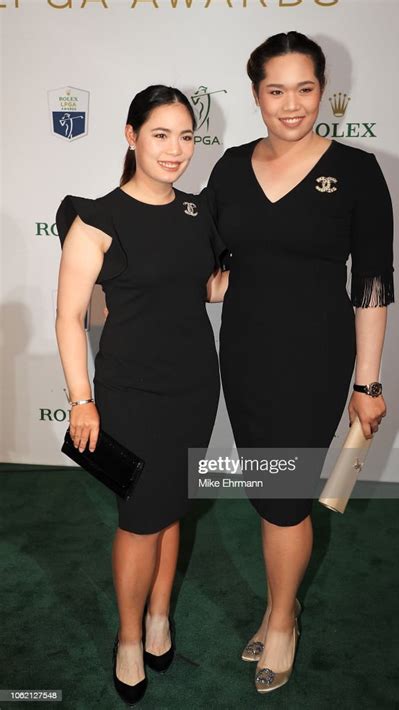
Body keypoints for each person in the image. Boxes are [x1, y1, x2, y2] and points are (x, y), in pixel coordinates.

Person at [204, 31, 395, 693]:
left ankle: (283, 617)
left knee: (286, 499)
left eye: (305, 88)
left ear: (324, 89)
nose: (292, 105)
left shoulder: (359, 170)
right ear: (255, 93)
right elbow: (207, 260)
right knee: (269, 489)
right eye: (276, 90)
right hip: (247, 353)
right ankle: (279, 599)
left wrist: (368, 382)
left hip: (315, 357)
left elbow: (372, 282)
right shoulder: (228, 168)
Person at [55, 85, 227, 706]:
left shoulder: (197, 213)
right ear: (131, 136)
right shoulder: (97, 219)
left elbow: (202, 289)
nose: (176, 149)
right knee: (139, 517)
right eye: (161, 134)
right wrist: (81, 399)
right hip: (128, 390)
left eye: (187, 136)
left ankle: (160, 616)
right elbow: (70, 318)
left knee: (173, 505)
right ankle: (130, 637)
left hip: (193, 385)